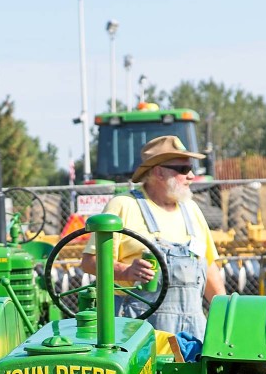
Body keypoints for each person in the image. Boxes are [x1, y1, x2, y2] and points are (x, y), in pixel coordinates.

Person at [81, 135, 225, 340]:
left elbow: (208, 266)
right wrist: (126, 272)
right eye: (183, 170)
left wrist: (227, 313)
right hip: (137, 335)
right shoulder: (123, 206)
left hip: (193, 334)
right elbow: (89, 262)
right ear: (158, 172)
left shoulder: (192, 210)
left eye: (191, 168)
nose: (192, 175)